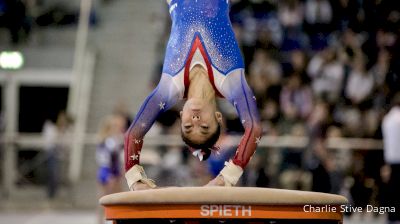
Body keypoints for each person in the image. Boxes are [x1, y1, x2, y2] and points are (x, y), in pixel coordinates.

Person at [124, 0, 262, 191]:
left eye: (188, 126)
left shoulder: (170, 87)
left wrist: (134, 178)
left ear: (181, 117)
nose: (195, 120)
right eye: (204, 127)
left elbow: (134, 132)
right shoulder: (231, 83)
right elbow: (254, 128)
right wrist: (228, 176)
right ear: (218, 118)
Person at [382, 93, 400, 224]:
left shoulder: (387, 119)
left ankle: (391, 216)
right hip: (398, 159)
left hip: (390, 158)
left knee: (392, 191)